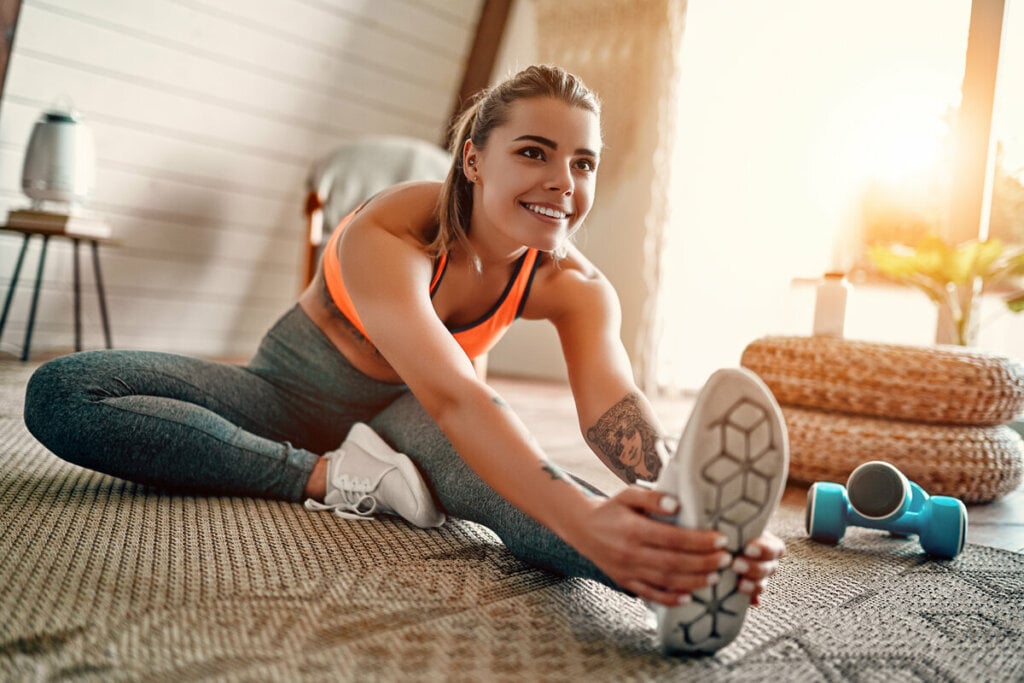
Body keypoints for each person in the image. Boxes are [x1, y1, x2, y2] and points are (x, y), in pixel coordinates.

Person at [23, 64, 786, 655]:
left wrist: (679, 508)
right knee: (63, 391)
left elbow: (612, 411)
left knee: (503, 485)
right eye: (534, 152)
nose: (563, 182)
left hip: (406, 419)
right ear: (475, 160)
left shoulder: (577, 285)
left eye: (583, 163)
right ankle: (325, 476)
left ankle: (659, 579)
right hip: (286, 390)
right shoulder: (388, 231)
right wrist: (585, 514)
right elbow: (459, 396)